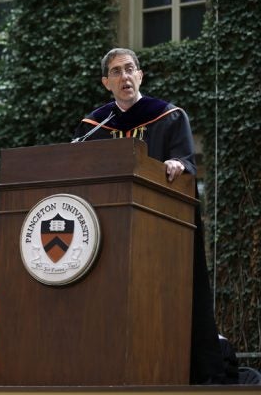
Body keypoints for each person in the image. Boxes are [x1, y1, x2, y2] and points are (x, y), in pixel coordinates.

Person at [73, 47, 229, 384]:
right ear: (106, 82)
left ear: (140, 75)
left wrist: (177, 165)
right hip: (109, 237)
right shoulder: (94, 125)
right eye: (116, 71)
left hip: (161, 233)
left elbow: (186, 162)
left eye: (130, 69)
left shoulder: (169, 116)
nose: (125, 76)